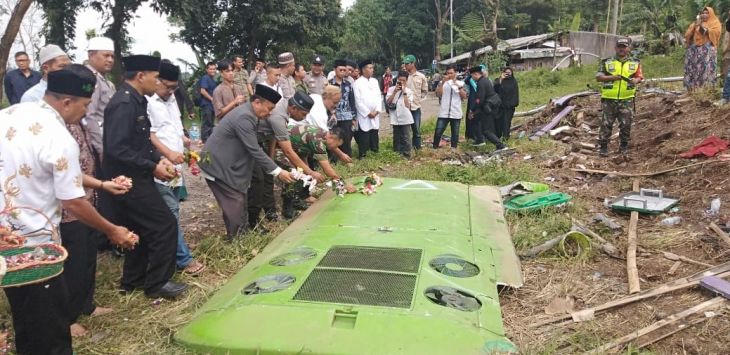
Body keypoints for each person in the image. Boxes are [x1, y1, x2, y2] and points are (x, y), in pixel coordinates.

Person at [0, 65, 136, 355]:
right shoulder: (60, 137)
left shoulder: (11, 114)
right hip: (37, 248)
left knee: (26, 318)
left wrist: (101, 184)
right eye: (85, 106)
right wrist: (113, 230)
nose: (86, 113)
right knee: (51, 329)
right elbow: (73, 200)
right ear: (66, 102)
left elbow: (48, 171)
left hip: (5, 241)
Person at [103, 54, 188, 299]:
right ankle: (157, 283)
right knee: (164, 225)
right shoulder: (123, 103)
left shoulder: (138, 100)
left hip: (138, 175)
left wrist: (158, 160)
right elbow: (117, 148)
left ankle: (133, 280)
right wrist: (151, 167)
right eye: (155, 77)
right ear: (141, 76)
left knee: (138, 228)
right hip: (128, 180)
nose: (157, 82)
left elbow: (140, 142)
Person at [198, 84, 295, 240]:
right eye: (269, 108)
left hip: (229, 162)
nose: (270, 113)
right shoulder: (245, 117)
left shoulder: (251, 114)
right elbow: (254, 149)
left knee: (240, 198)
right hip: (217, 164)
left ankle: (241, 234)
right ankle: (236, 242)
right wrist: (278, 171)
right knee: (234, 202)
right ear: (257, 102)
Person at [147, 61, 205, 276]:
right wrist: (168, 154)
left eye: (174, 88)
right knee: (169, 213)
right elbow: (150, 135)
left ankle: (169, 254)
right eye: (168, 87)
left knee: (173, 211)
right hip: (160, 166)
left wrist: (187, 142)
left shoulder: (171, 99)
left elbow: (173, 129)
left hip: (175, 167)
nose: (171, 92)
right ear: (156, 80)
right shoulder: (146, 102)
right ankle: (183, 259)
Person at [249, 91, 322, 225]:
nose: (304, 117)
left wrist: (270, 158)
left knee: (270, 177)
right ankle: (278, 212)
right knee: (291, 173)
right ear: (294, 108)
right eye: (303, 114)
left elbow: (272, 135)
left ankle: (274, 212)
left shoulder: (284, 105)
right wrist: (310, 172)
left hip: (263, 142)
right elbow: (288, 151)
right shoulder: (278, 116)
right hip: (251, 143)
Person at [280, 126, 348, 218]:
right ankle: (287, 209)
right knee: (293, 173)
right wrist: (344, 186)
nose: (335, 148)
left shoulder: (324, 135)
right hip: (279, 147)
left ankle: (297, 200)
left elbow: (303, 153)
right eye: (336, 145)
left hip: (294, 150)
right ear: (332, 138)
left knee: (303, 173)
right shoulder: (318, 142)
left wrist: (307, 172)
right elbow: (328, 170)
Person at [596, 37, 643, 156]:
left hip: (626, 99)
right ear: (615, 48)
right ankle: (603, 147)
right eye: (620, 47)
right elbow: (599, 77)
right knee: (606, 124)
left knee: (626, 124)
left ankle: (624, 146)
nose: (622, 49)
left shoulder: (635, 62)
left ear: (629, 48)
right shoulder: (607, 61)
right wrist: (612, 77)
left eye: (624, 47)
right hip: (609, 99)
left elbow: (640, 77)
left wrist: (635, 81)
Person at [84, 37, 116, 157]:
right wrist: (100, 149)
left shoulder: (106, 81)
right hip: (98, 140)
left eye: (112, 56)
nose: (110, 60)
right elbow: (89, 116)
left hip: (108, 138)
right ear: (91, 55)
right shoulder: (90, 79)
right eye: (106, 55)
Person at [469, 66, 507, 151]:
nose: (472, 78)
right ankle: (481, 140)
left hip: (487, 108)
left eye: (472, 76)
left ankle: (500, 145)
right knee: (479, 122)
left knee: (486, 130)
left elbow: (480, 99)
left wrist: (473, 110)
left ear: (476, 74)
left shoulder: (481, 83)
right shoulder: (485, 80)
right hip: (489, 107)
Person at [684, 7, 722, 90]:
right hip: (694, 51)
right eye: (703, 13)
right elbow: (687, 35)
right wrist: (695, 25)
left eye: (706, 13)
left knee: (704, 70)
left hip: (707, 52)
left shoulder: (715, 23)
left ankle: (705, 89)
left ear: (711, 14)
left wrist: (700, 26)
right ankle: (691, 89)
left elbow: (709, 33)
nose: (704, 14)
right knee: (693, 70)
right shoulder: (696, 23)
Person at [433, 66, 466, 149]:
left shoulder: (461, 83)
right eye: (448, 73)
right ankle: (435, 147)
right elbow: (439, 94)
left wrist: (457, 85)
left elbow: (464, 96)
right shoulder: (443, 83)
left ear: (455, 73)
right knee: (438, 131)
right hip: (444, 112)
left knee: (455, 133)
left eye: (451, 73)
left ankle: (453, 148)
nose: (449, 75)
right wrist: (442, 83)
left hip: (456, 112)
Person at [353, 60, 381, 159]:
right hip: (364, 114)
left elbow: (378, 96)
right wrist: (368, 113)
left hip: (375, 113)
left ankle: (375, 152)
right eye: (370, 68)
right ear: (363, 70)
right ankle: (363, 155)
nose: (372, 70)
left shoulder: (375, 81)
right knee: (364, 134)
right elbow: (358, 101)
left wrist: (377, 110)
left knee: (374, 133)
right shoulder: (357, 83)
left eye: (372, 68)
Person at [330, 59, 357, 159]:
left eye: (344, 70)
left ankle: (347, 159)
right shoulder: (329, 84)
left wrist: (354, 117)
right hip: (334, 116)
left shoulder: (348, 85)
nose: (343, 72)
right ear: (335, 70)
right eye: (340, 70)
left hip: (346, 116)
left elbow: (352, 101)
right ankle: (334, 160)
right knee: (333, 138)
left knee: (346, 139)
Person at [403, 54, 429, 150]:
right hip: (405, 107)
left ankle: (417, 149)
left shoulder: (421, 76)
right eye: (404, 64)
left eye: (407, 64)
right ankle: (406, 148)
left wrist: (418, 99)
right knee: (405, 130)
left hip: (415, 107)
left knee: (416, 130)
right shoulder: (404, 76)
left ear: (413, 64)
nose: (405, 66)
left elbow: (424, 91)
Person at [386, 71, 414, 157]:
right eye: (400, 80)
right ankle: (397, 153)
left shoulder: (409, 91)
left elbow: (407, 105)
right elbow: (388, 102)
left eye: (403, 80)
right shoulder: (391, 89)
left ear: (407, 80)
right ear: (397, 79)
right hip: (395, 116)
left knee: (406, 137)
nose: (401, 82)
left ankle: (407, 154)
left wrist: (404, 92)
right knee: (396, 136)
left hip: (405, 117)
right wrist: (394, 92)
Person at [493, 67, 519, 139]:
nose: (508, 74)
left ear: (512, 73)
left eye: (509, 72)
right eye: (506, 72)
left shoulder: (513, 81)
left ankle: (506, 137)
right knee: (498, 122)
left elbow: (515, 94)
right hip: (499, 106)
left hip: (509, 106)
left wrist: (512, 104)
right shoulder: (498, 80)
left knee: (506, 122)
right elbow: (495, 89)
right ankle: (497, 136)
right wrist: (501, 79)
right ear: (503, 72)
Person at [198, 62, 218, 142]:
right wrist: (211, 99)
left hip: (211, 105)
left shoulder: (213, 79)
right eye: (210, 69)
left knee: (211, 122)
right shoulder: (205, 78)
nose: (212, 70)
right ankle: (205, 140)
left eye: (214, 69)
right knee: (207, 122)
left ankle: (209, 140)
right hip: (206, 104)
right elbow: (203, 91)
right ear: (207, 70)